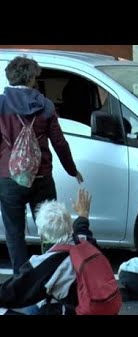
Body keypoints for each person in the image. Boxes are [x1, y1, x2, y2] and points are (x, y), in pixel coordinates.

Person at [0, 56, 83, 274]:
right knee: (51, 230)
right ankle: (51, 273)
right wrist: (72, 169)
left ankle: (21, 279)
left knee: (14, 231)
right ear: (31, 79)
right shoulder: (45, 105)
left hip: (9, 178)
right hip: (42, 177)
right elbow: (59, 142)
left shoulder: (0, 105)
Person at [0, 188, 95, 315]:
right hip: (94, 306)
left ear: (43, 236)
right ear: (69, 225)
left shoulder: (45, 264)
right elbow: (82, 229)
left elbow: (9, 294)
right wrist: (83, 214)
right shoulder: (86, 243)